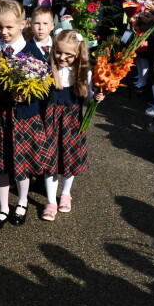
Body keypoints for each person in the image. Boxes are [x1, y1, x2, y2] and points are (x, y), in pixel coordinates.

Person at [0, 0, 47, 230]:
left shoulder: (32, 51)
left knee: (20, 164)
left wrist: (27, 95)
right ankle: (3, 208)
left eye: (10, 27)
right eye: (1, 27)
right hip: (0, 115)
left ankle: (21, 202)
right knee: (1, 163)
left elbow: (44, 84)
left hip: (23, 117)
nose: (4, 32)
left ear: (23, 24)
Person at [41, 30, 103, 221]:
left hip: (72, 120)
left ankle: (65, 193)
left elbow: (91, 94)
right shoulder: (47, 69)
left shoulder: (84, 72)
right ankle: (51, 201)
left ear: (78, 54)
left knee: (69, 156)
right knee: (50, 158)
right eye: (59, 52)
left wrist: (98, 97)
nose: (62, 57)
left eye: (69, 54)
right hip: (50, 119)